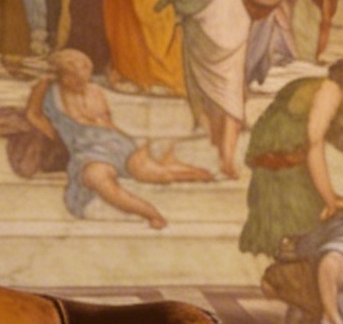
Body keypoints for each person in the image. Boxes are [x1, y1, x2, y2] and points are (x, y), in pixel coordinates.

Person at [21, 48, 213, 229]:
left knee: (153, 173)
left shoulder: (94, 90)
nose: (82, 84)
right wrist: (53, 134)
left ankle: (197, 172)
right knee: (99, 179)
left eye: (85, 78)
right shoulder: (49, 90)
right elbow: (33, 114)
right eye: (76, 80)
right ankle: (150, 213)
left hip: (117, 143)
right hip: (88, 152)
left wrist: (131, 144)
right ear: (62, 77)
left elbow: (108, 123)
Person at [240, 55, 343, 257]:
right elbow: (315, 144)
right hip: (280, 150)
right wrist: (330, 197)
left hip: (287, 147)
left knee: (309, 205)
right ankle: (289, 247)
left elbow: (340, 137)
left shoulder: (333, 92)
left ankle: (293, 247)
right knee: (302, 207)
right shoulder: (330, 93)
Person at [159, 0, 251, 178]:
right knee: (231, 90)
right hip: (233, 26)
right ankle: (226, 153)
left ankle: (216, 147)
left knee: (205, 90)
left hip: (204, 27)